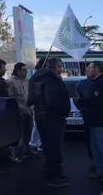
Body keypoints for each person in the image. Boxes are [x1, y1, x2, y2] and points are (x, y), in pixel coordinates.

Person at [28, 57, 70, 187]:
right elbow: (52, 100)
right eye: (60, 67)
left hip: (41, 115)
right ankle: (53, 177)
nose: (61, 69)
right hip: (52, 118)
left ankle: (51, 172)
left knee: (48, 148)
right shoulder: (51, 79)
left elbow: (32, 99)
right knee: (53, 148)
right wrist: (63, 110)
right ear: (56, 67)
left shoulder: (36, 78)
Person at [75, 62, 103, 182]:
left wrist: (81, 101)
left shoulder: (101, 82)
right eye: (88, 68)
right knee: (95, 146)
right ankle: (100, 169)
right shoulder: (96, 82)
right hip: (92, 120)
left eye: (92, 67)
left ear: (98, 69)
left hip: (99, 119)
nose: (89, 70)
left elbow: (95, 101)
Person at [9, 62, 37, 160]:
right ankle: (18, 155)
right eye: (23, 70)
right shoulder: (11, 82)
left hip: (29, 111)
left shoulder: (27, 81)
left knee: (28, 132)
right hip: (19, 112)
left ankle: (27, 150)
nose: (25, 72)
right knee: (19, 135)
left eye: (26, 70)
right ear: (18, 70)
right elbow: (11, 98)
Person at [29, 58, 45, 152]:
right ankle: (33, 143)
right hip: (38, 105)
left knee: (41, 126)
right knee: (37, 125)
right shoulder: (36, 77)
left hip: (42, 105)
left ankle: (40, 142)